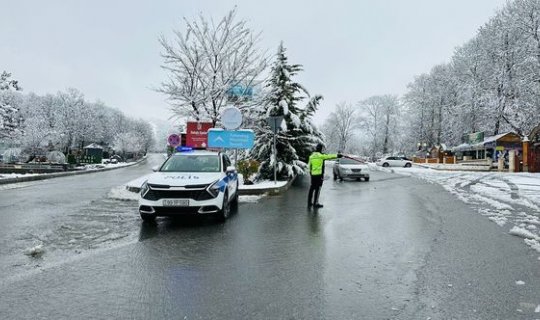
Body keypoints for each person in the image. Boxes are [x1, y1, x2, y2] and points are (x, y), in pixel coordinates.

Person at [307, 143, 342, 208]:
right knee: (318, 189)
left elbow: (309, 166)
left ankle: (309, 203)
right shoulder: (321, 156)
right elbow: (330, 156)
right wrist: (338, 155)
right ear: (321, 149)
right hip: (319, 175)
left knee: (311, 188)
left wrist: (311, 173)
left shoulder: (311, 156)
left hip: (313, 175)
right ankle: (316, 203)